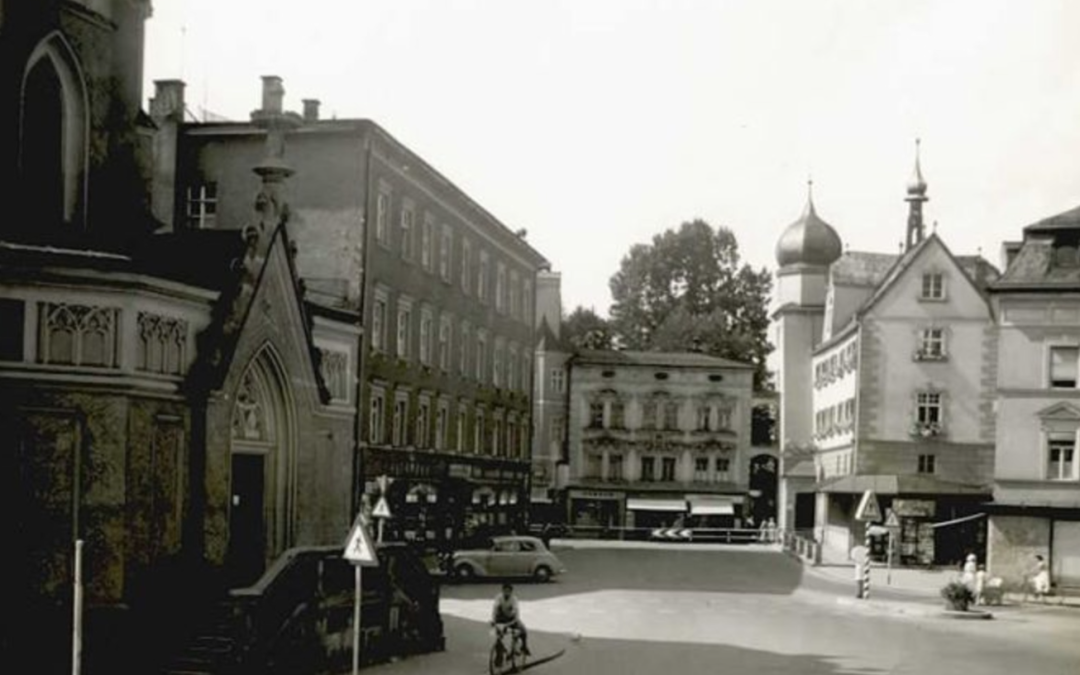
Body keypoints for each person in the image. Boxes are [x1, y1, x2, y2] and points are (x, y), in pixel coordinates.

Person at [491, 583, 530, 656]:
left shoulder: (514, 599)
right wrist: (493, 620)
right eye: (505, 591)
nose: (506, 593)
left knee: (523, 630)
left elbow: (516, 613)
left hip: (511, 619)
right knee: (498, 634)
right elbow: (495, 609)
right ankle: (500, 650)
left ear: (511, 592)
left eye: (508, 591)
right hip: (501, 618)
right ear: (502, 591)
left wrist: (512, 622)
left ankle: (524, 646)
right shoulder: (499, 597)